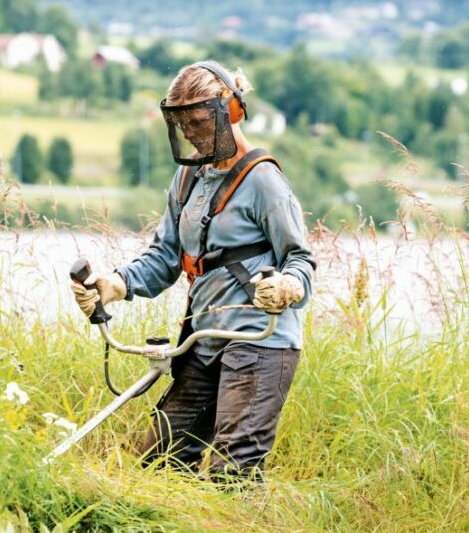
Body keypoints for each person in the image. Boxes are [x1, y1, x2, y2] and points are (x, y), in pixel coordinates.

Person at [70, 60, 316, 480]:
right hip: (203, 343)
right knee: (160, 461)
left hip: (259, 342)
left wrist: (286, 287)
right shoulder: (187, 181)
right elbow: (164, 257)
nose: (191, 134)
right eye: (183, 124)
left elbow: (301, 261)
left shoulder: (263, 180)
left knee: (231, 470)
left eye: (200, 122)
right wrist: (115, 284)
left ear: (230, 112)